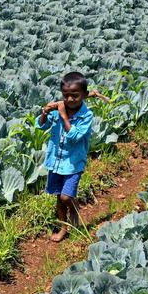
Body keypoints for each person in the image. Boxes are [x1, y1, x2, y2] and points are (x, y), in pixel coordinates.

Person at [38, 71, 98, 242]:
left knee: (66, 197)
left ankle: (75, 210)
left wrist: (64, 116)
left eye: (75, 96)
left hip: (73, 163)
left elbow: (74, 137)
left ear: (85, 95)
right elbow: (41, 126)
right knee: (59, 196)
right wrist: (45, 112)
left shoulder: (86, 116)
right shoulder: (58, 110)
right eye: (66, 96)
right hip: (56, 161)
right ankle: (64, 228)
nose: (70, 100)